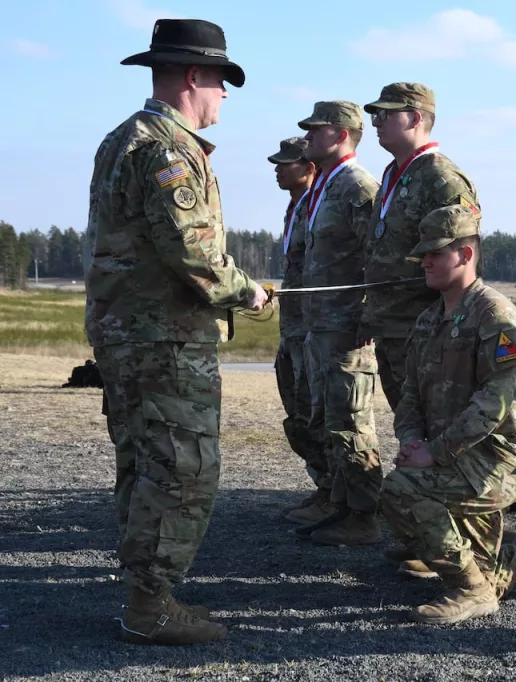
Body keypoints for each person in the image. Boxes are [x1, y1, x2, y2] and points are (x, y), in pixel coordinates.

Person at [84, 18, 267, 645]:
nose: (222, 97)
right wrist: (248, 289)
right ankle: (149, 604)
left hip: (130, 334)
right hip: (162, 337)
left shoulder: (122, 138)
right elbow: (192, 252)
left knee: (144, 461)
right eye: (221, 83)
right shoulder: (167, 149)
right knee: (183, 467)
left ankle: (142, 592)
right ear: (194, 77)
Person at [378, 205, 516, 624]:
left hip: (502, 455)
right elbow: (409, 395)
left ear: (465, 254)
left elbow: (494, 403)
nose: (425, 261)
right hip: (457, 454)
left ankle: (469, 591)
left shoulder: (494, 315)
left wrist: (434, 454)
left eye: (435, 253)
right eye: (423, 254)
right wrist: (412, 443)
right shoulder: (427, 321)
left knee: (401, 490)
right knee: (486, 569)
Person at [288, 101, 383, 546]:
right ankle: (342, 505)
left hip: (346, 328)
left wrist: (369, 313)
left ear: (343, 134)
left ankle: (364, 514)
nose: (307, 135)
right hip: (320, 326)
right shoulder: (325, 185)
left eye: (317, 129)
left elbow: (376, 255)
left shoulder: (357, 186)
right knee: (329, 419)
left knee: (352, 421)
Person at [359, 82, 479, 411]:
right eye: (374, 116)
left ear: (414, 118)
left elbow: (461, 264)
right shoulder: (392, 176)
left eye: (384, 114)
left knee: (436, 429)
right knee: (410, 427)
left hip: (426, 332)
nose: (376, 123)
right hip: (393, 329)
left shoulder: (443, 179)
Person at [268, 137, 330, 519]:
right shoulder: (295, 207)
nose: (277, 169)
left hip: (313, 328)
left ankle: (337, 493)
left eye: (285, 163)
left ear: (309, 168)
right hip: (293, 327)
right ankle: (323, 485)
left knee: (318, 411)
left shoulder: (319, 206)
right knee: (299, 411)